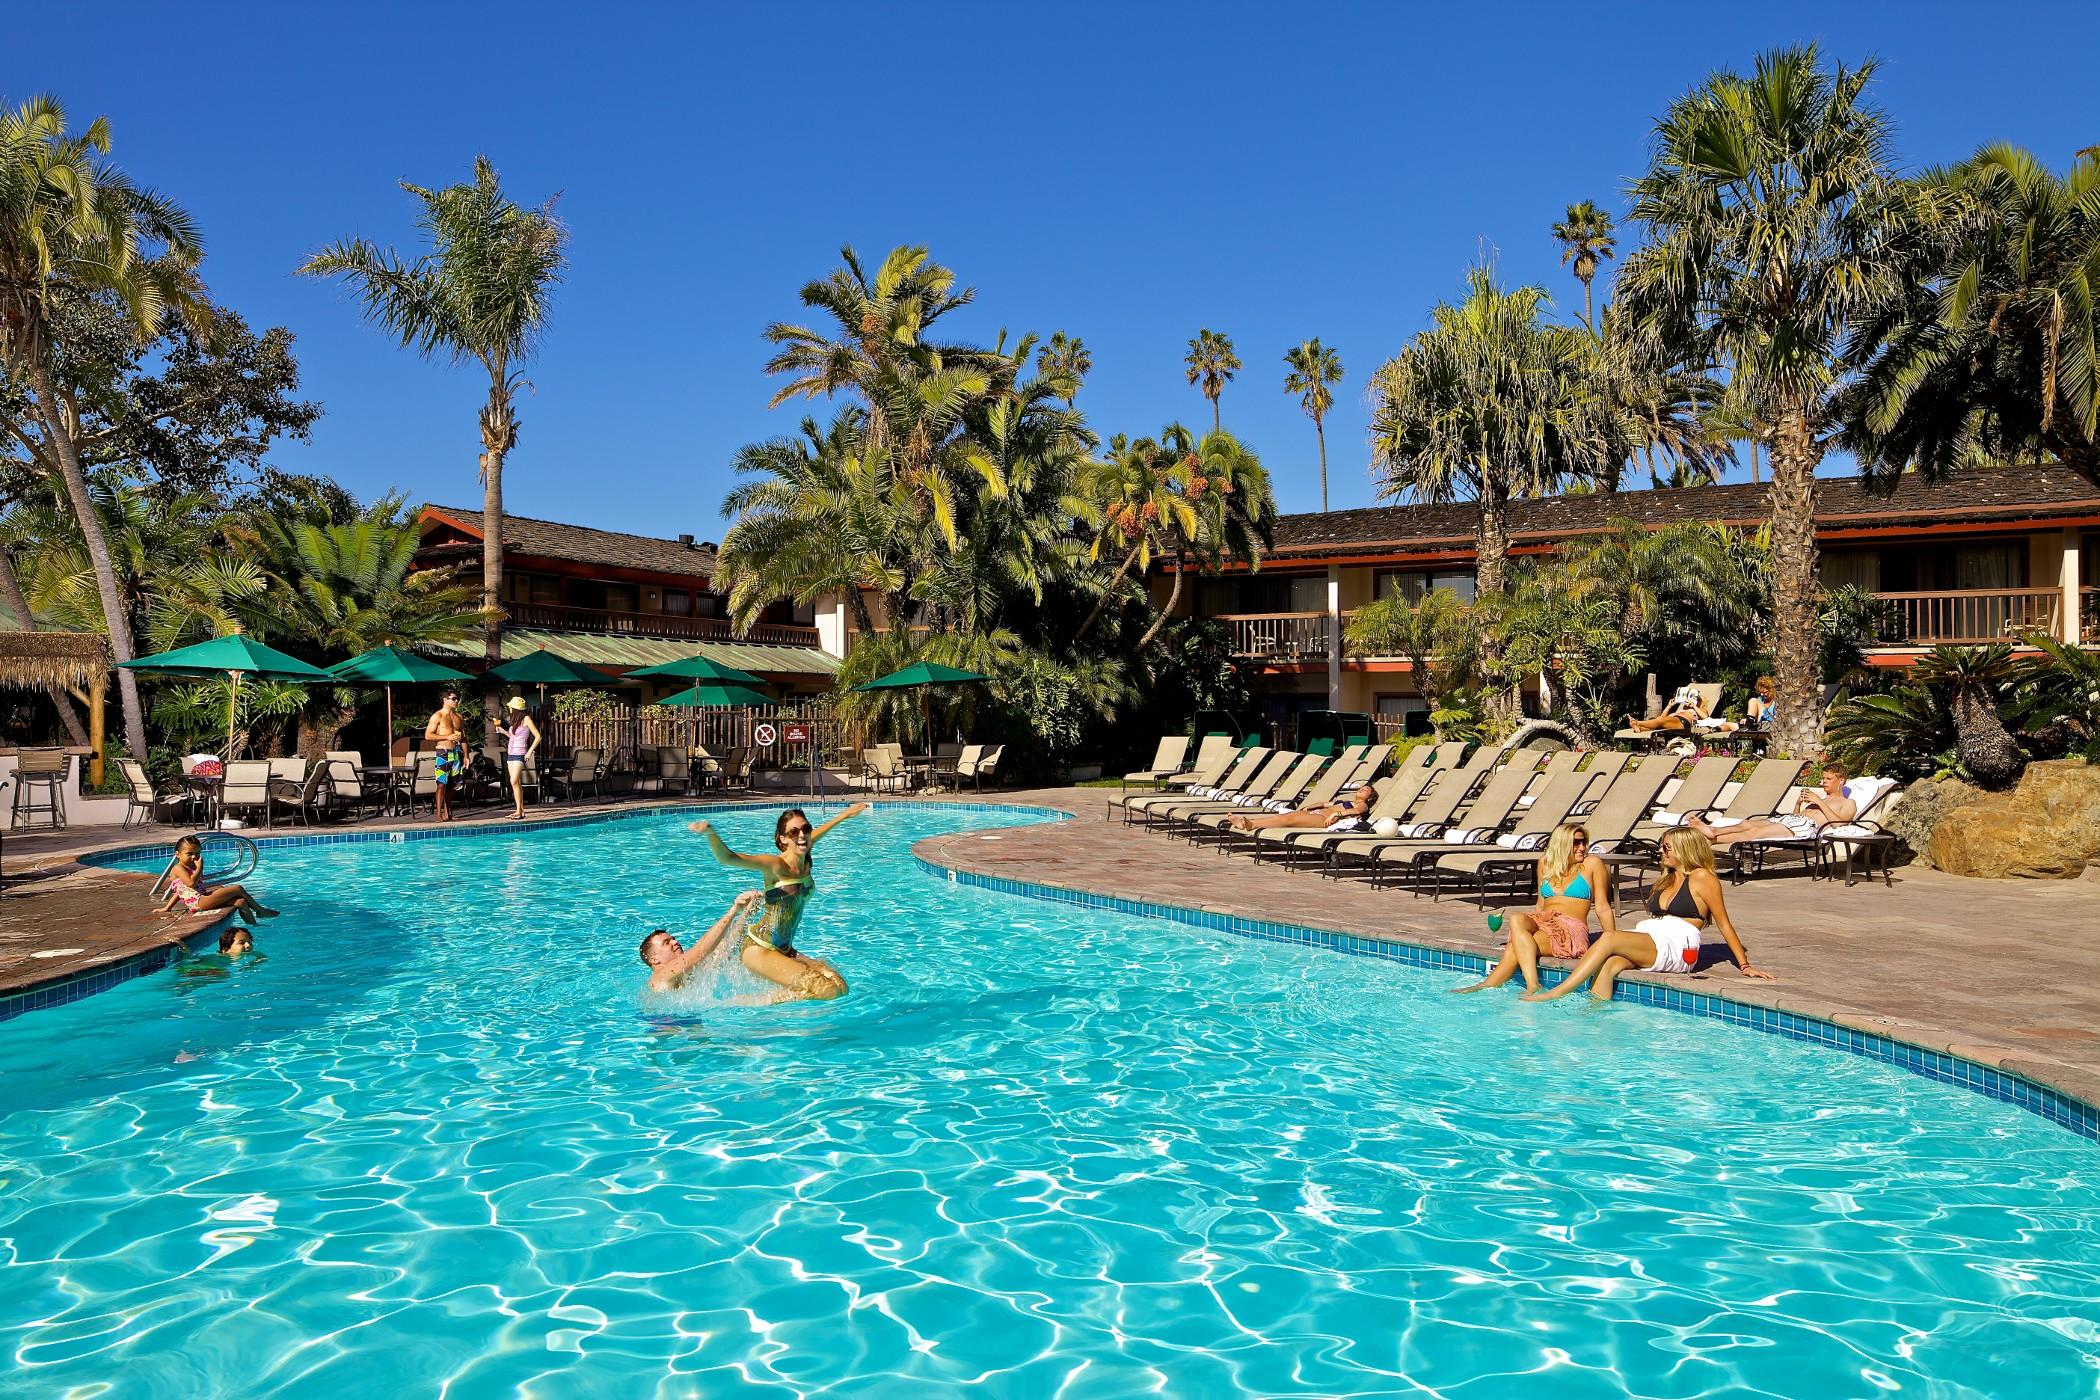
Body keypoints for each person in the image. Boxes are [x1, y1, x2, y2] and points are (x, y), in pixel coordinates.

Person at [1523, 827, 1773, 1001]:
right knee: (1610, 964)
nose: (1661, 851)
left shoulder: (1702, 878)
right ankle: (1594, 1011)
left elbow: (1724, 924)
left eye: (1666, 847)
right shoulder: (1667, 878)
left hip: (1678, 943)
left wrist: (1745, 965)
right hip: (1652, 936)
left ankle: (1558, 992)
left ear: (1684, 850)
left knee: (1609, 938)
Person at [688, 804, 870, 1001]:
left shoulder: (804, 858)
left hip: (784, 948)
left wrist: (845, 814)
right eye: (794, 832)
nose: (802, 835)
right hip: (759, 948)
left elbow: (814, 836)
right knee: (828, 990)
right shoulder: (775, 865)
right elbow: (728, 858)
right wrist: (710, 833)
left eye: (806, 829)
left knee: (840, 986)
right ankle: (756, 1002)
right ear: (783, 839)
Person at [1454, 823, 1618, 994]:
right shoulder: (1545, 863)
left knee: (1516, 947)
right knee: (1517, 918)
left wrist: (1614, 941)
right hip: (1544, 921)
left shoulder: (1592, 864)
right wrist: (1529, 930)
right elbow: (1541, 903)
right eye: (1576, 843)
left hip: (1570, 930)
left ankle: (1514, 985)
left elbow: (1602, 907)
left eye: (1584, 842)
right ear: (1561, 844)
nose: (1582, 847)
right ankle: (1519, 985)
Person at [1689, 760, 1855, 846]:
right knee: (1747, 824)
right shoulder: (1822, 799)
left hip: (1806, 828)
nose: (1823, 782)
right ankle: (1713, 831)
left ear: (1841, 781)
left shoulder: (1847, 803)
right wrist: (1798, 804)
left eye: (1828, 779)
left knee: (1755, 832)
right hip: (1792, 821)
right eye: (1823, 778)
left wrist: (1818, 801)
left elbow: (1840, 825)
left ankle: (1713, 840)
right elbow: (1797, 816)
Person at [640, 890, 765, 993]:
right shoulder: (661, 975)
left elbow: (725, 949)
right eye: (667, 943)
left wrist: (748, 911)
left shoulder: (685, 975)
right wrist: (734, 910)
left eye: (673, 939)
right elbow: (701, 949)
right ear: (654, 960)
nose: (675, 942)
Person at [158, 835, 279, 924]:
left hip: (202, 899)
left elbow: (179, 891)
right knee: (237, 888)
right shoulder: (178, 868)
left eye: (198, 853)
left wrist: (167, 908)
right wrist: (200, 867)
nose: (194, 857)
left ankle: (254, 925)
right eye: (189, 854)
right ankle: (260, 910)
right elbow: (190, 883)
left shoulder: (191, 867)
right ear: (178, 854)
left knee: (240, 901)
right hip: (199, 902)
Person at [1227, 784, 1378, 833]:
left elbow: (1356, 812)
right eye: (1362, 787)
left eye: (1366, 790)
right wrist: (1308, 807)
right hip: (1316, 813)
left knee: (1287, 820)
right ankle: (1249, 822)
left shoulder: (1362, 805)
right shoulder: (1346, 801)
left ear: (1370, 798)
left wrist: (1336, 814)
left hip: (1323, 819)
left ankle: (1251, 824)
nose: (1362, 789)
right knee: (1283, 818)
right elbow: (1324, 803)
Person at [493, 696, 541, 820]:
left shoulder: (526, 719)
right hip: (511, 753)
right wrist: (503, 731)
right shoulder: (514, 721)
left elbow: (538, 736)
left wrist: (529, 752)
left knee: (514, 781)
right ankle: (519, 810)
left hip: (520, 753)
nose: (509, 709)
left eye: (510, 707)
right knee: (515, 783)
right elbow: (513, 737)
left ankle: (519, 810)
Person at [424, 688, 468, 823]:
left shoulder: (459, 717)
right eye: (453, 699)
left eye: (456, 698)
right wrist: (447, 736)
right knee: (441, 784)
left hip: (456, 753)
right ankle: (438, 813)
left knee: (452, 785)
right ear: (445, 700)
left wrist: (466, 755)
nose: (456, 701)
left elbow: (464, 738)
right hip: (443, 753)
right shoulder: (437, 716)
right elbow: (428, 735)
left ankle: (447, 812)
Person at [1624, 685, 1709, 734]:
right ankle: (1639, 728)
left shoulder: (1700, 709)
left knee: (1660, 721)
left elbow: (1706, 718)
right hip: (1671, 721)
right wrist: (1669, 706)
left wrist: (1694, 706)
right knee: (1658, 722)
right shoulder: (1683, 708)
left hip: (1683, 723)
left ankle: (1638, 722)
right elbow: (1662, 717)